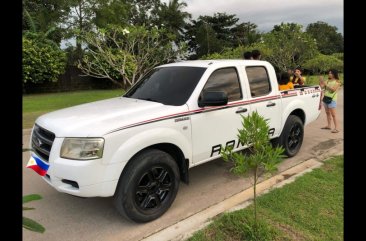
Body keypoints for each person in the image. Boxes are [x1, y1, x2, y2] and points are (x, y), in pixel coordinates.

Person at [319, 69, 341, 133]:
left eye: (331, 73)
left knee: (333, 114)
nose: (329, 74)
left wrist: (326, 84)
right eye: (329, 73)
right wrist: (321, 81)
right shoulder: (327, 81)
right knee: (327, 113)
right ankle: (329, 126)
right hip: (325, 98)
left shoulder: (337, 81)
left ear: (334, 74)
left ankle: (336, 128)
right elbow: (321, 86)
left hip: (332, 99)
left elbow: (333, 90)